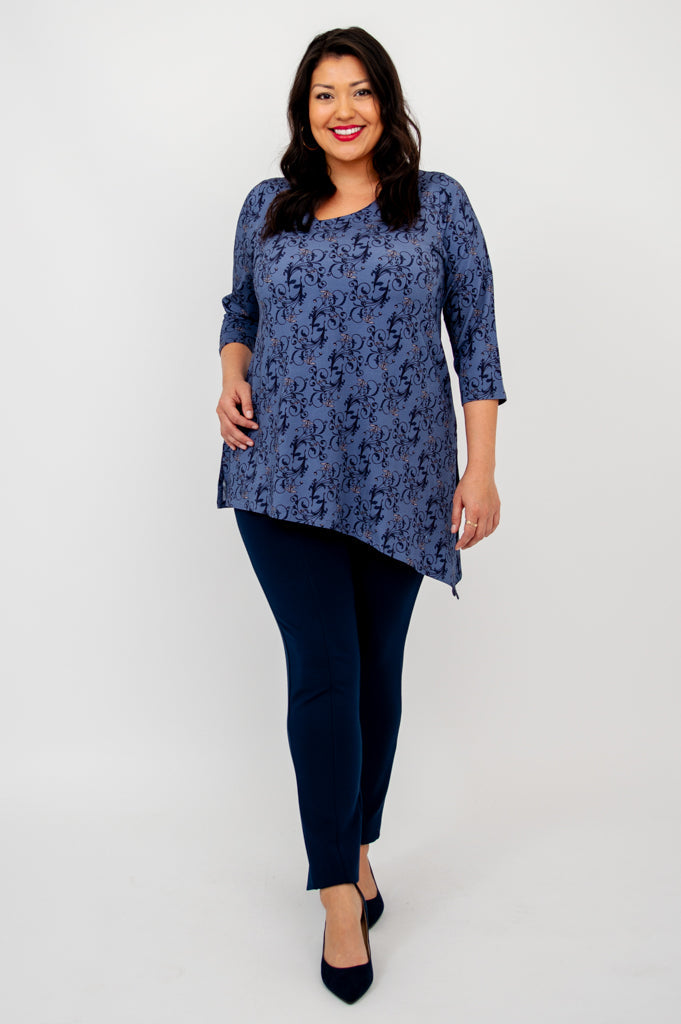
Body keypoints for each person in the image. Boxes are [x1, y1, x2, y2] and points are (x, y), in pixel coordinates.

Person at [215, 26, 508, 1003]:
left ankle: (358, 845)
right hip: (280, 477)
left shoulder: (438, 204)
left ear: (386, 101)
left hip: (402, 479)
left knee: (377, 676)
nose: (342, 110)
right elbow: (241, 313)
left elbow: (476, 340)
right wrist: (230, 375)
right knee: (325, 675)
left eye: (359, 91)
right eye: (323, 94)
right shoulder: (268, 206)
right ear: (304, 112)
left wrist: (480, 472)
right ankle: (338, 892)